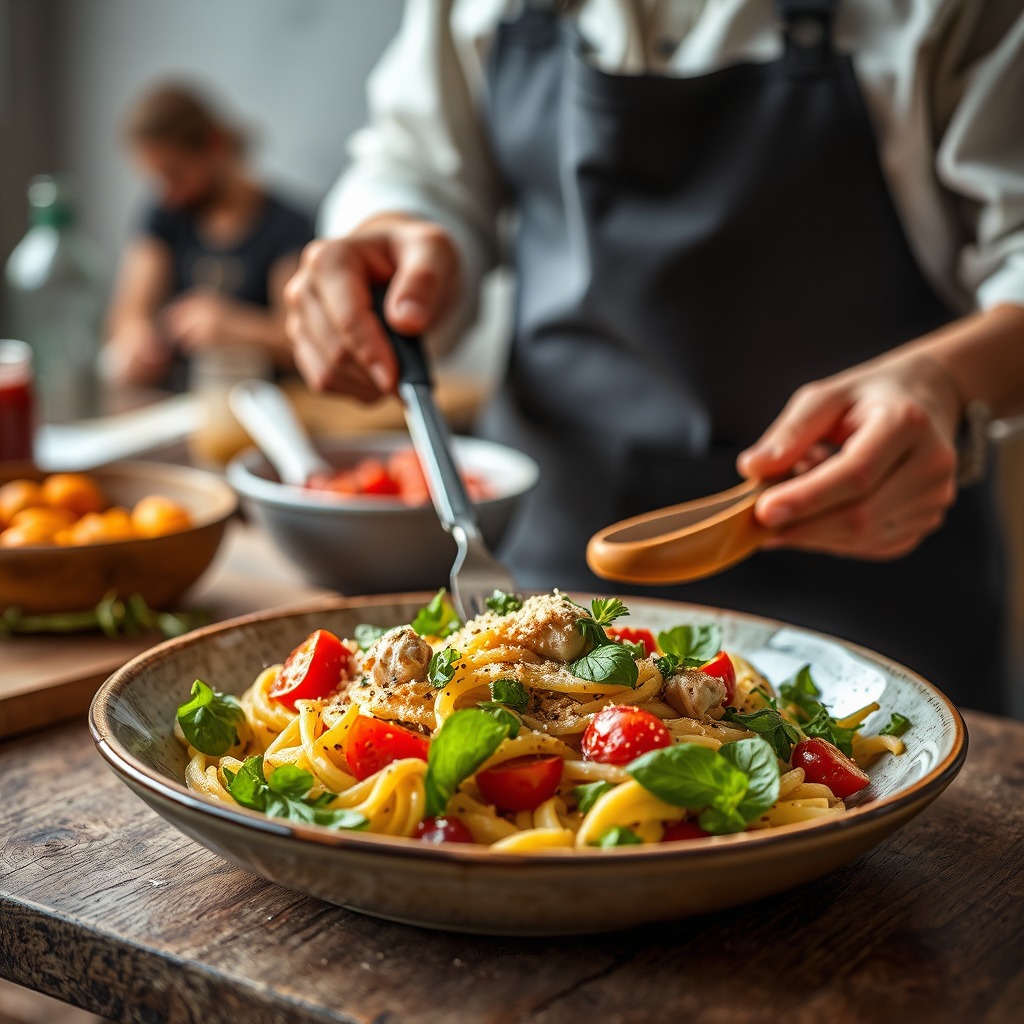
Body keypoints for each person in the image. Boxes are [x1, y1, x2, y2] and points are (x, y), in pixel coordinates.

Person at [284, 0, 1024, 713]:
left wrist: (949, 379)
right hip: (541, 554)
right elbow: (420, 163)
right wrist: (396, 234)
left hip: (876, 595)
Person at [104, 83, 316, 390]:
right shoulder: (165, 215)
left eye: (174, 174)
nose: (167, 194)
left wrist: (233, 327)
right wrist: (136, 339)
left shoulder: (289, 227)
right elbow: (129, 313)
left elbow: (301, 343)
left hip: (264, 403)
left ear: (214, 146)